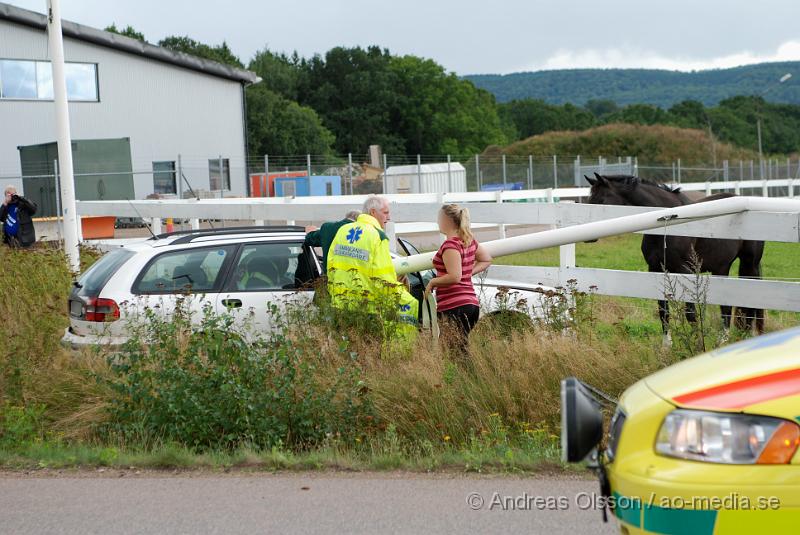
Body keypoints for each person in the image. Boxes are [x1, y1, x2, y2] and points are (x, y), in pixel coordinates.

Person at [327, 195, 418, 335]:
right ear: (373, 213)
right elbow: (382, 277)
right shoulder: (378, 236)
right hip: (367, 309)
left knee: (345, 353)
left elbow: (331, 266)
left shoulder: (343, 231)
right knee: (369, 353)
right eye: (386, 213)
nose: (388, 218)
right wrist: (403, 295)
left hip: (340, 305)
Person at [425, 204, 492, 353]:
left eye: (439, 219)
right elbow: (486, 259)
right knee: (459, 348)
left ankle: (465, 376)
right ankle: (469, 376)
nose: (437, 222)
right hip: (471, 304)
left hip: (455, 305)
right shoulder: (468, 241)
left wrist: (433, 282)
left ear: (447, 220)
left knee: (453, 352)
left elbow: (455, 277)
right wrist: (468, 273)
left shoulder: (450, 245)